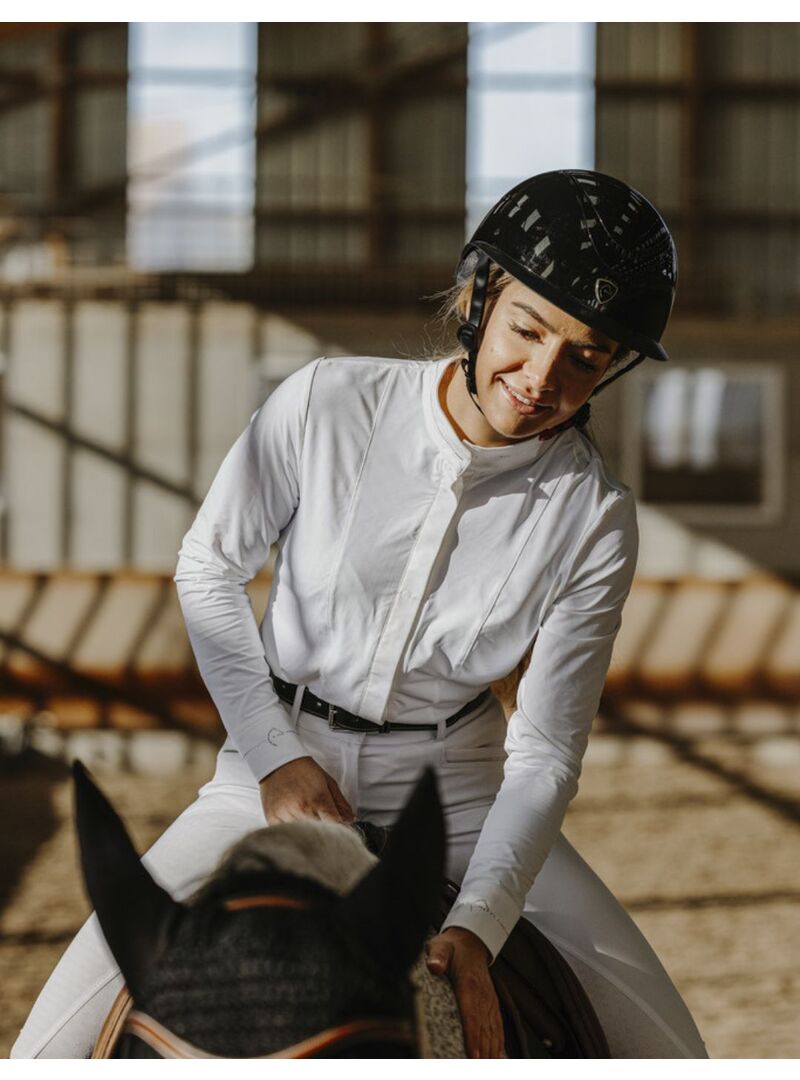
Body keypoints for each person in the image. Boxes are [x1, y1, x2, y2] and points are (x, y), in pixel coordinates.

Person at [11, 169, 708, 1059]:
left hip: (458, 793)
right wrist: (275, 761)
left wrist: (481, 925)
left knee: (669, 1044)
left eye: (587, 355)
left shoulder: (596, 516)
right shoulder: (328, 402)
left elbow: (545, 751)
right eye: (529, 330)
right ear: (481, 299)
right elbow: (209, 564)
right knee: (51, 1040)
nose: (542, 377)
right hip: (271, 770)